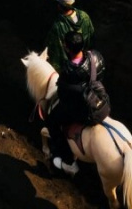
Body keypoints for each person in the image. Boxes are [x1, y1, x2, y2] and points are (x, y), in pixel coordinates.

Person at [45, 31, 109, 175]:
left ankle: (68, 161)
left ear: (67, 48)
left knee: (52, 121)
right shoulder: (96, 56)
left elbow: (62, 95)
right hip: (101, 100)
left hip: (84, 111)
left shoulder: (69, 70)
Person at [45, 0, 95, 71]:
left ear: (59, 6)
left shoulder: (58, 27)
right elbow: (91, 37)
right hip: (84, 62)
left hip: (68, 70)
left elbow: (54, 51)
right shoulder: (85, 16)